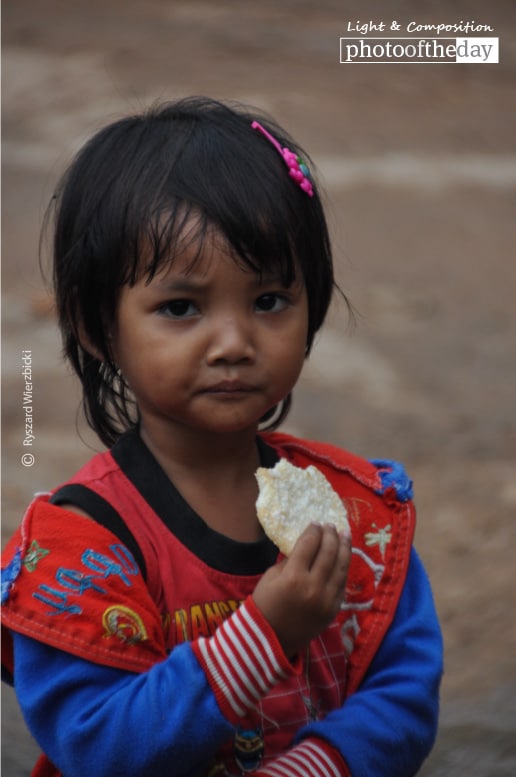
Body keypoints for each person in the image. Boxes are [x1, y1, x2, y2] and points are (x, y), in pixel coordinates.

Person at [1, 96, 442, 777]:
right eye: (181, 307)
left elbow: (404, 690)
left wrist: (314, 767)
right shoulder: (80, 548)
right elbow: (97, 745)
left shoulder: (350, 511)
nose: (234, 343)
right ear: (96, 326)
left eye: (269, 301)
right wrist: (266, 636)